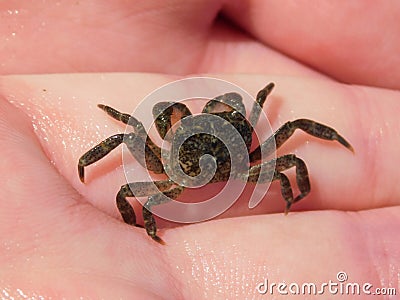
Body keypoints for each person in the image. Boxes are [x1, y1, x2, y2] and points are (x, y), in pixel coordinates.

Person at [0, 2, 399, 298]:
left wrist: (144, 218)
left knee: (130, 175)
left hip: (180, 181)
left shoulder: (166, 165)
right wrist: (296, 194)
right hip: (238, 172)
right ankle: (148, 228)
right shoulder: (251, 152)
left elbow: (131, 147)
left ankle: (144, 228)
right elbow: (290, 152)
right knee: (288, 149)